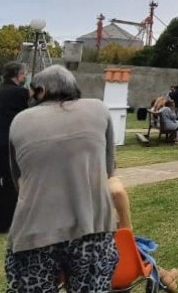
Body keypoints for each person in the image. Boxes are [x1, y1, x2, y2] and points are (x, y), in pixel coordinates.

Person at [5, 65, 118, 292]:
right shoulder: (99, 110)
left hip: (33, 233)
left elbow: (19, 181)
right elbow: (109, 169)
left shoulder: (20, 121)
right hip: (91, 230)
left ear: (42, 90)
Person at [108, 176, 178, 292]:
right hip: (121, 265)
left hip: (81, 268)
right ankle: (167, 278)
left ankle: (166, 277)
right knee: (131, 250)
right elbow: (118, 192)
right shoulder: (101, 177)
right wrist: (127, 226)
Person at [0, 62, 29, 233]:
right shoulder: (21, 94)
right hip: (10, 143)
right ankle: (7, 221)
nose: (24, 77)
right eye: (23, 74)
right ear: (18, 75)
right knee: (11, 182)